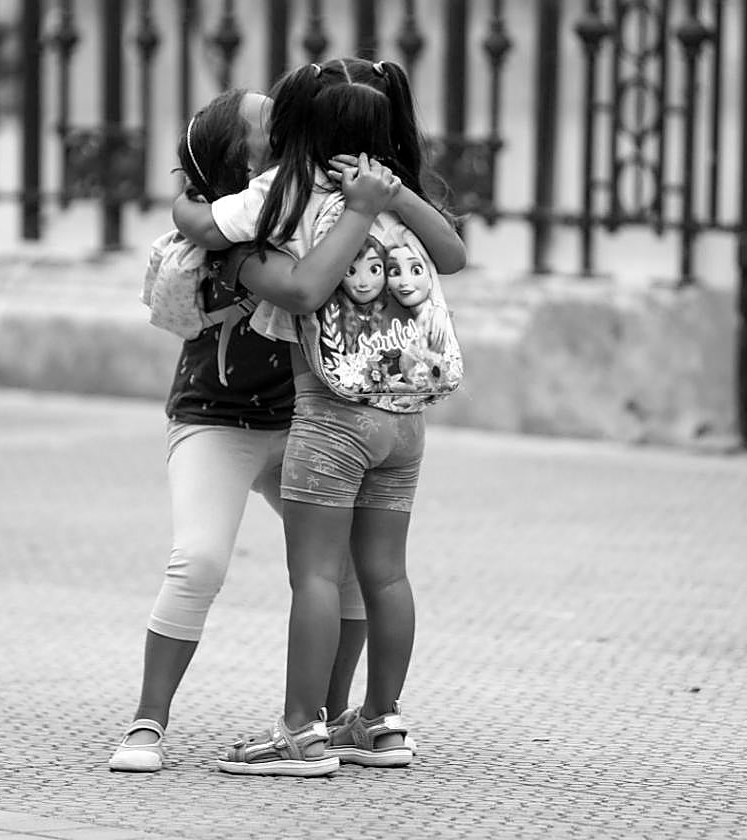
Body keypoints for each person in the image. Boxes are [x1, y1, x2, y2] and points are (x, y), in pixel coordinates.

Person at [171, 57, 466, 777]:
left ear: (299, 129)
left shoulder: (290, 193)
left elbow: (211, 227)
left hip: (332, 417)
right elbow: (454, 254)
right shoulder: (395, 193)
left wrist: (180, 203)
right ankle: (382, 721)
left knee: (317, 577)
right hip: (405, 420)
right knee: (386, 576)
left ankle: (301, 731)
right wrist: (388, 193)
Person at [108, 88, 371, 773]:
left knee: (347, 570)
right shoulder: (223, 237)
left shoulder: (316, 216)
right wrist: (190, 211)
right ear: (240, 162)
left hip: (306, 424)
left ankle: (329, 720)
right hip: (215, 422)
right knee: (198, 560)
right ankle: (146, 723)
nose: (286, 130)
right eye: (268, 126)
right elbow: (294, 284)